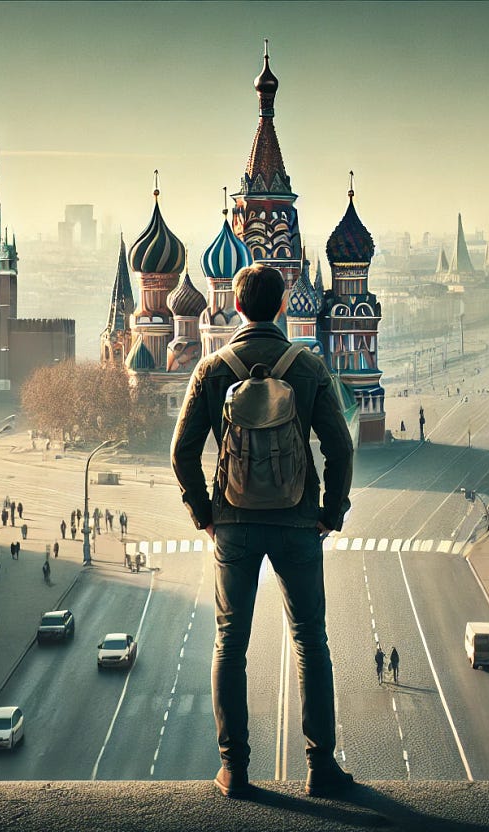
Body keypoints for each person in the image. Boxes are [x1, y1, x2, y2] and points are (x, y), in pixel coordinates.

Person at [170, 264, 355, 799]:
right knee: (310, 642)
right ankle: (320, 767)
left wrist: (203, 512)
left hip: (234, 525)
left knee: (230, 644)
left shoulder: (211, 369)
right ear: (280, 307)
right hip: (298, 522)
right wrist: (330, 512)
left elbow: (182, 453)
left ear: (236, 305)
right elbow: (339, 447)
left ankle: (235, 769)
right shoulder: (308, 366)